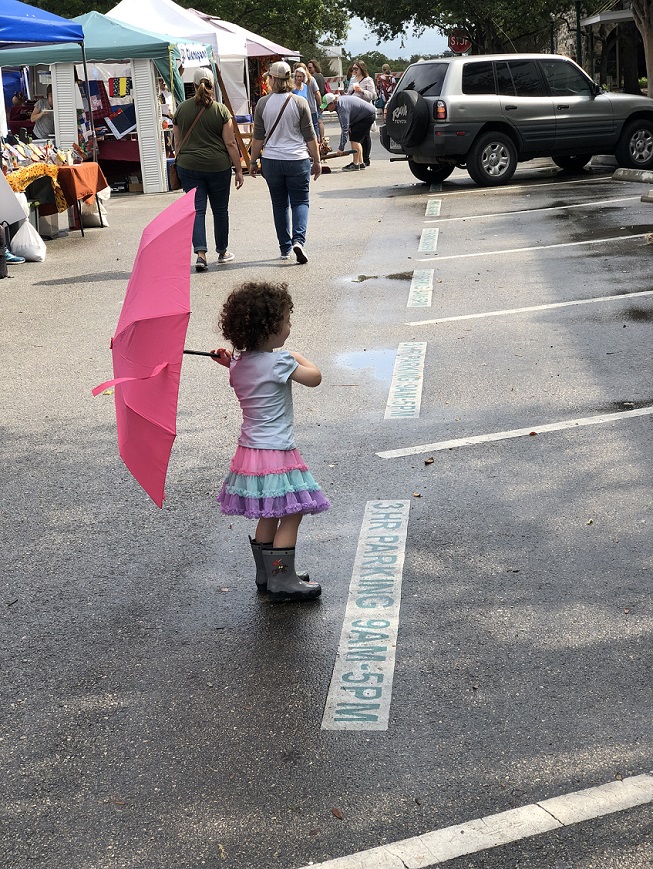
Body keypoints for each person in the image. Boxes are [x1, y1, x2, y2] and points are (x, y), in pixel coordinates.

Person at [213, 281, 329, 602]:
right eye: (286, 321)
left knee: (270, 511)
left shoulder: (237, 366)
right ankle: (282, 579)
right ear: (270, 328)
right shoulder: (281, 362)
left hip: (250, 453)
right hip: (277, 452)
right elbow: (315, 377)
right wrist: (296, 356)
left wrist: (230, 361)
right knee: (292, 512)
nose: (289, 327)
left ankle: (267, 573)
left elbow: (244, 368)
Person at [248, 61, 321, 264]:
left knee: (279, 205)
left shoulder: (262, 104)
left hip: (272, 161)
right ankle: (298, 240)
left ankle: (284, 247)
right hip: (297, 159)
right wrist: (317, 160)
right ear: (289, 79)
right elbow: (310, 136)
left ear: (272, 79)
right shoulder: (299, 102)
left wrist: (252, 162)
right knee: (300, 201)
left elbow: (258, 137)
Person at [173, 66, 244, 271]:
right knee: (220, 210)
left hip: (189, 166)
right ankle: (222, 251)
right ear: (213, 86)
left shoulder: (181, 109)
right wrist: (239, 169)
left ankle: (201, 255)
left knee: (197, 211)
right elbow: (230, 143)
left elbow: (177, 144)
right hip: (218, 166)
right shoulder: (221, 110)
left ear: (194, 85)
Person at [320, 92, 375, 171]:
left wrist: (341, 148)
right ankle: (360, 162)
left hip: (366, 116)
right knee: (356, 139)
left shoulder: (342, 108)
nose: (327, 109)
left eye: (327, 107)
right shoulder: (339, 103)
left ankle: (355, 164)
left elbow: (344, 129)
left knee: (355, 140)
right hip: (363, 115)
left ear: (332, 103)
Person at [346, 60, 376, 167]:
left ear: (361, 69)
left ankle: (365, 158)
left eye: (356, 69)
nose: (354, 71)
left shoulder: (368, 80)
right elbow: (349, 93)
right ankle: (359, 159)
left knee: (365, 134)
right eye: (353, 69)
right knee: (355, 134)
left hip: (365, 110)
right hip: (354, 111)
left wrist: (362, 91)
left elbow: (373, 95)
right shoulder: (353, 80)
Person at [292, 63, 321, 139]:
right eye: (297, 76)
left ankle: (317, 142)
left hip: (309, 109)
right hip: (297, 113)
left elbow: (317, 93)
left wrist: (320, 105)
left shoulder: (306, 84)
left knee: (313, 127)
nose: (299, 78)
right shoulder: (292, 87)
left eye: (300, 76)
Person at [307, 59, 327, 138]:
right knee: (320, 121)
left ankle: (318, 138)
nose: (308, 69)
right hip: (320, 99)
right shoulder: (321, 76)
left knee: (316, 122)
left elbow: (316, 92)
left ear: (315, 67)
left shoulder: (313, 77)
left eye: (310, 68)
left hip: (315, 101)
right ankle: (322, 138)